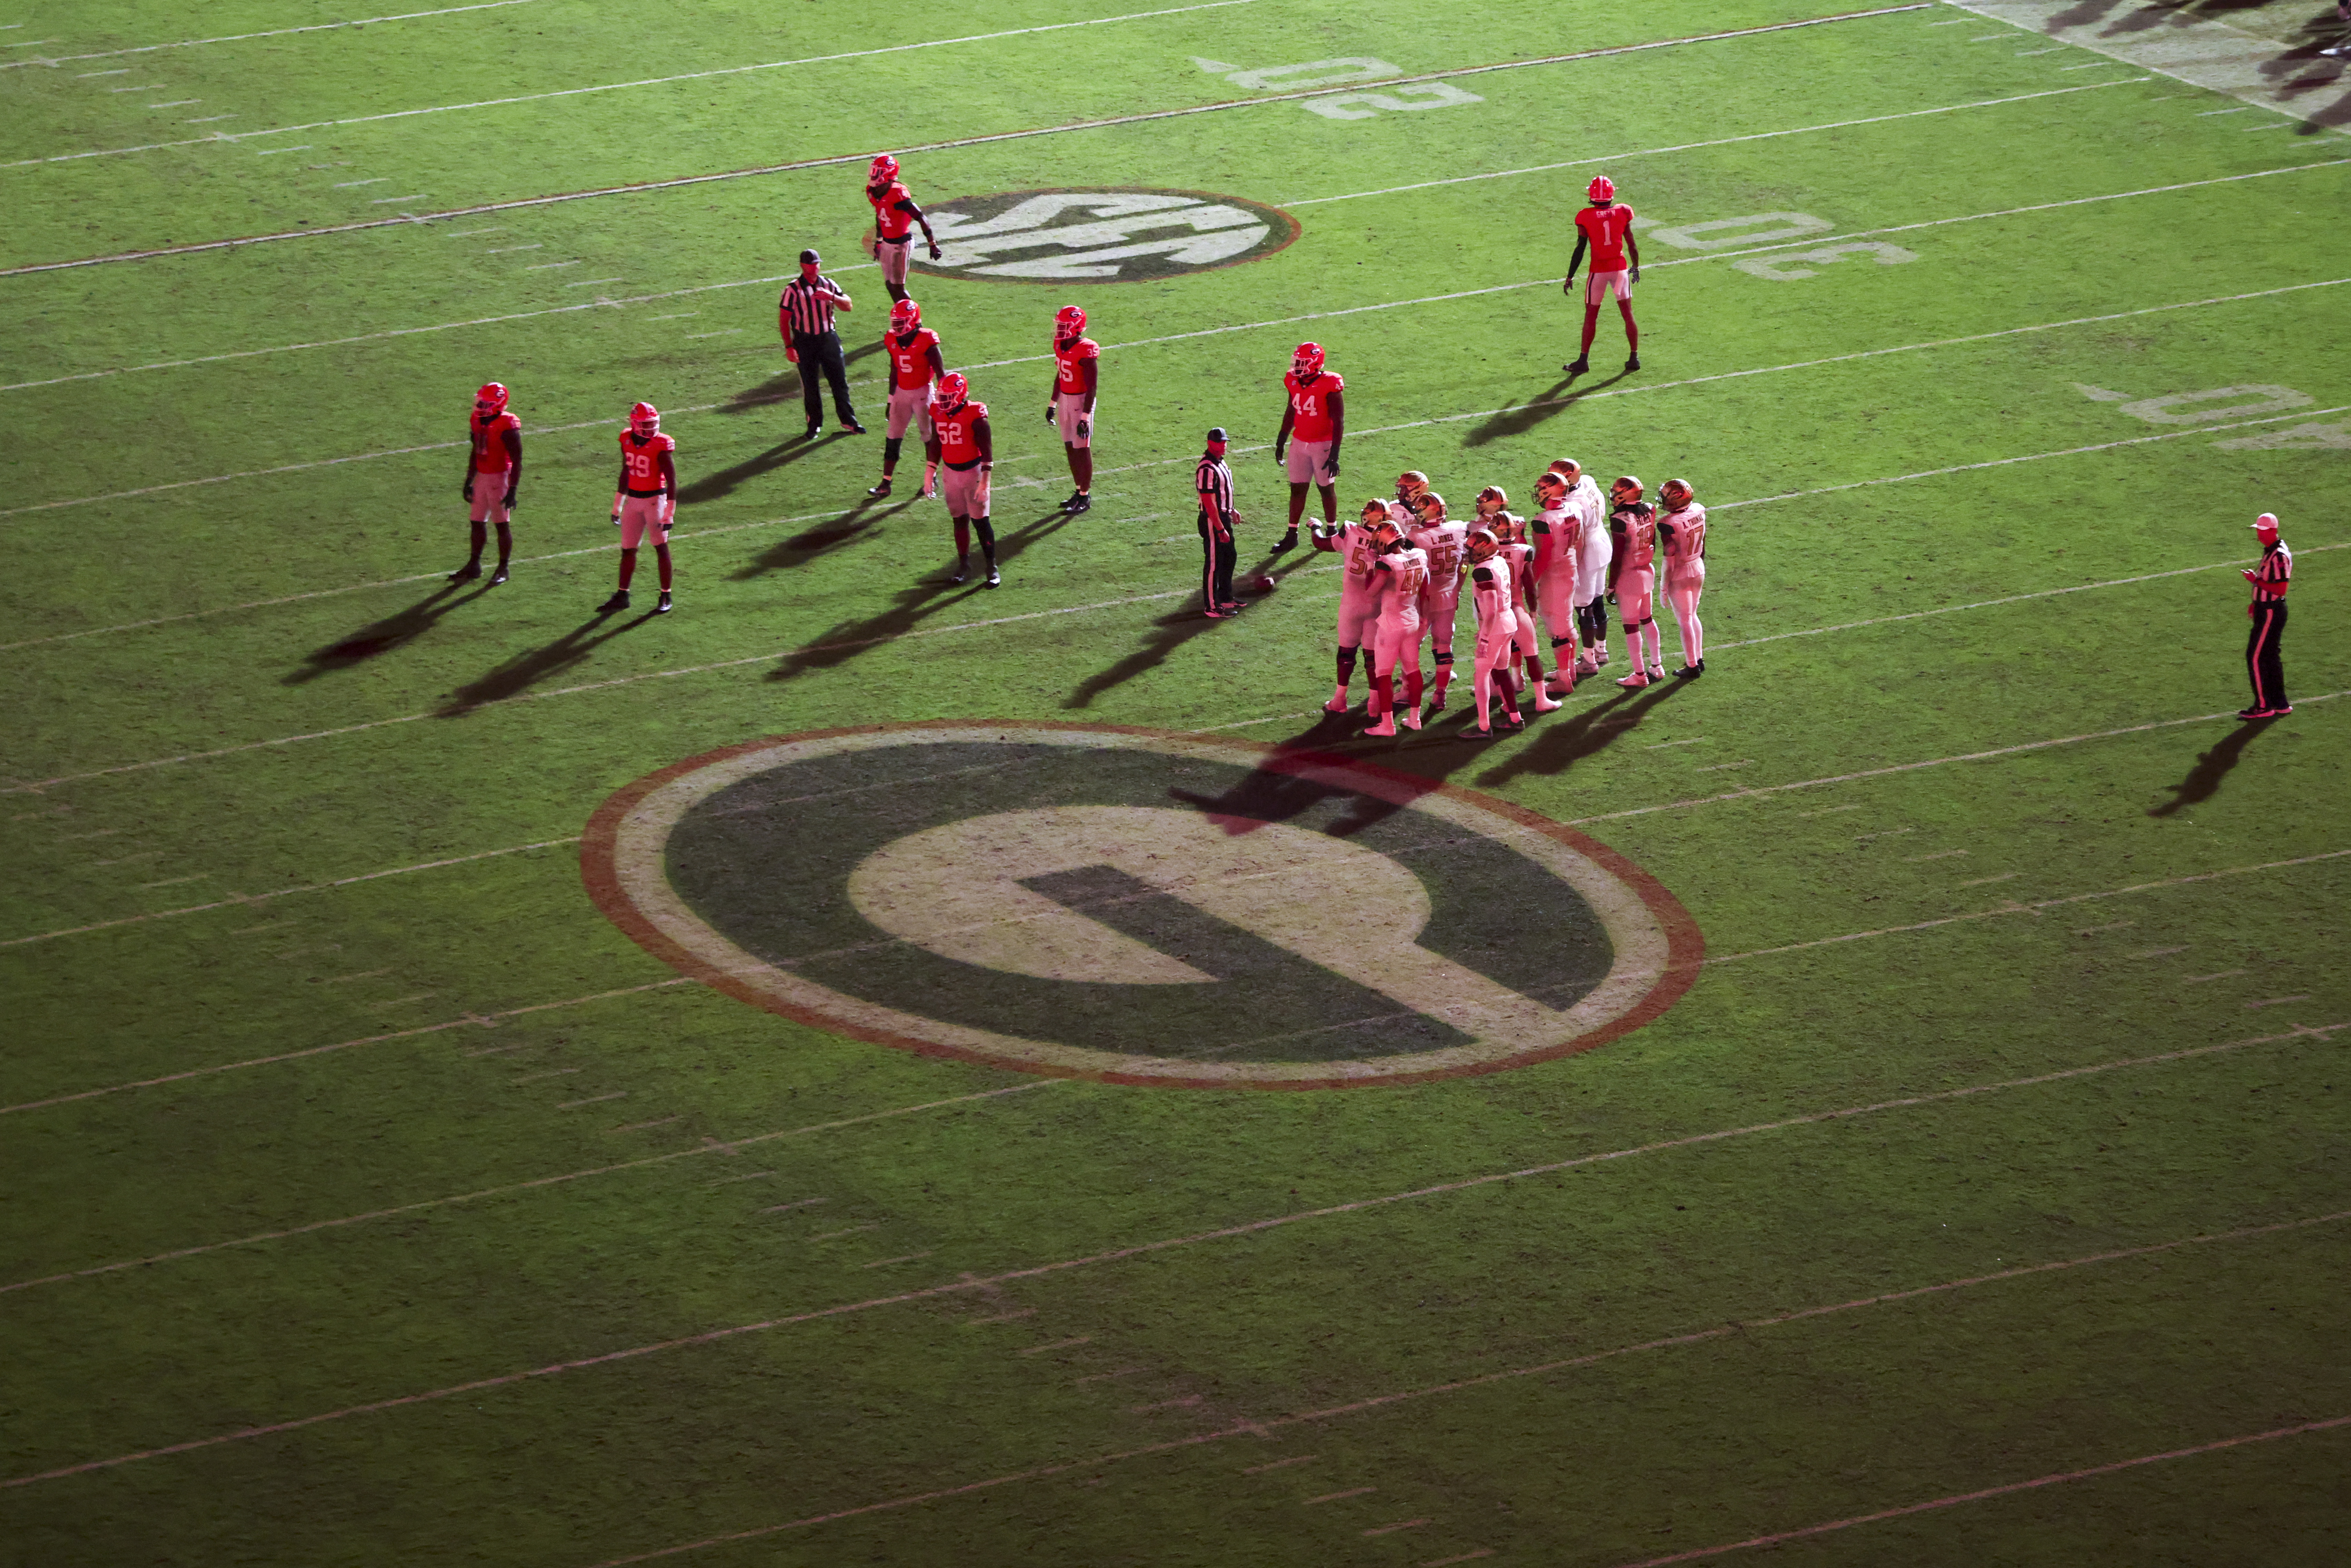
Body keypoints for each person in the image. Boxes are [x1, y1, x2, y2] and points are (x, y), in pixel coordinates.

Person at [1482, 492, 1563, 713]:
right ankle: (1541, 699)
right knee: (1532, 655)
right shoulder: (1523, 551)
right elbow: (1529, 584)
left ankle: (1509, 706)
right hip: (1518, 609)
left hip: (1498, 614)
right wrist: (1534, 611)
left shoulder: (1487, 556)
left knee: (1498, 664)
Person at [778, 248, 864, 440]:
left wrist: (832, 297)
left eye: (818, 263)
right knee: (810, 386)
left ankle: (849, 421)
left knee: (839, 382)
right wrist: (789, 347)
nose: (816, 267)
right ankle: (814, 424)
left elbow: (848, 306)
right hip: (805, 341)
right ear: (803, 266)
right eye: (812, 264)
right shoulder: (792, 290)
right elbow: (784, 320)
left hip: (828, 338)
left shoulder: (828, 284)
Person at [1310, 499, 1388, 706]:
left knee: (1346, 652)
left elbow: (1321, 543)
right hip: (1377, 605)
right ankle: (1375, 702)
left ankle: (1340, 699)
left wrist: (1315, 527)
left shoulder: (1350, 531)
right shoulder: (1390, 539)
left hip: (1352, 604)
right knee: (1372, 657)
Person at [603, 401, 675, 615]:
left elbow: (672, 480)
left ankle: (666, 594)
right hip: (633, 501)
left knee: (661, 547)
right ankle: (623, 594)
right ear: (634, 424)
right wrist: (618, 505)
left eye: (653, 423)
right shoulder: (626, 439)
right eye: (647, 424)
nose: (652, 428)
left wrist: (670, 513)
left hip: (655, 501)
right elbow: (626, 471)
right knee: (628, 550)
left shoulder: (661, 444)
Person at [867, 297, 943, 500]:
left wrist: (942, 402)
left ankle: (932, 477)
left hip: (923, 394)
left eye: (902, 322)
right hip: (901, 393)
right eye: (896, 323)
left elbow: (941, 373)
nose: (897, 327)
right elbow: (894, 370)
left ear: (913, 320)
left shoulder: (927, 339)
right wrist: (891, 398)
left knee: (929, 437)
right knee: (893, 437)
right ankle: (886, 483)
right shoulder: (891, 339)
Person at [1564, 176, 1640, 375]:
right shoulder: (1623, 212)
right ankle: (1634, 357)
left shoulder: (1585, 216)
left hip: (1599, 271)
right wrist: (1636, 267)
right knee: (1628, 314)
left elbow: (1580, 248)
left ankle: (1583, 360)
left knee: (1591, 315)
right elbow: (1631, 244)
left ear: (1591, 195)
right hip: (1619, 269)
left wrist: (1570, 276)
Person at [1274, 341, 1343, 551]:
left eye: (1302, 362)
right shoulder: (1292, 380)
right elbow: (1291, 410)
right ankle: (1292, 534)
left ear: (1315, 363)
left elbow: (1339, 420)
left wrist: (1335, 455)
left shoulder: (1330, 383)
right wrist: (1281, 439)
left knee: (1325, 488)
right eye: (1297, 361)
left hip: (1323, 443)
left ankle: (1332, 530)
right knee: (1297, 489)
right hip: (1299, 442)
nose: (1297, 366)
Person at [1363, 518, 1429, 737]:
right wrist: (1425, 617)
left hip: (1391, 624)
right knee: (1413, 669)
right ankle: (1415, 718)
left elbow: (1371, 593)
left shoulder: (1387, 563)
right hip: (1412, 618)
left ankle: (1387, 725)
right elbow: (1425, 588)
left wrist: (1370, 567)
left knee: (1383, 674)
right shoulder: (1419, 555)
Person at [452, 381, 521, 584]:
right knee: (477, 522)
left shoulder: (507, 425)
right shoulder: (476, 419)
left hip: (501, 478)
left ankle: (503, 568)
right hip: (483, 475)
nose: (479, 405)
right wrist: (469, 480)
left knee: (501, 525)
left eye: (484, 402)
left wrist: (513, 490)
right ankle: (474, 565)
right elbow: (476, 451)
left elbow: (518, 460)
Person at [932, 372, 997, 587]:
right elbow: (936, 443)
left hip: (973, 472)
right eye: (941, 396)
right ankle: (964, 565)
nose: (942, 402)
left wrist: (985, 483)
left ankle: (991, 566)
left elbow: (987, 453)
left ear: (960, 395)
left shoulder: (975, 413)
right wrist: (929, 471)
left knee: (980, 522)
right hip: (950, 473)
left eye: (947, 397)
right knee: (959, 519)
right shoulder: (937, 412)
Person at [1548, 458, 1610, 675]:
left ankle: (1589, 660)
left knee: (1584, 607)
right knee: (1598, 600)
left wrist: (1575, 564)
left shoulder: (1574, 502)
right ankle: (1601, 650)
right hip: (1602, 541)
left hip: (1588, 552)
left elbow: (1579, 538)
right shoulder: (1588, 481)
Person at [1410, 489, 1469, 715]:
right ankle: (1440, 695)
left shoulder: (1416, 538)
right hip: (1449, 595)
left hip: (1424, 599)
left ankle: (1408, 690)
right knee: (1444, 646)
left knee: (1412, 645)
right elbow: (1464, 564)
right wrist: (1459, 586)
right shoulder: (1458, 529)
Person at [1465, 528, 1526, 737]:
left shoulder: (1483, 571)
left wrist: (1484, 637)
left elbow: (1490, 611)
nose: (1469, 553)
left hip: (1497, 623)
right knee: (1501, 670)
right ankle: (1515, 717)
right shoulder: (1498, 561)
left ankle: (1483, 727)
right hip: (1508, 621)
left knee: (1481, 674)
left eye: (1472, 549)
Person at [1607, 476, 1663, 687]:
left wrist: (1612, 585)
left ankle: (1640, 676)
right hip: (1647, 570)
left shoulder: (1620, 520)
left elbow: (1618, 556)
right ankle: (1657, 666)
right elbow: (1653, 540)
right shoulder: (1649, 509)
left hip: (1630, 575)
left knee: (1631, 626)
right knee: (1647, 618)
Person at [864, 154, 942, 305]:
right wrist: (879, 241)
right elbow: (880, 215)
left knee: (898, 287)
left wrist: (932, 244)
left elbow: (921, 217)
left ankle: (912, 316)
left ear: (889, 174)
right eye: (874, 171)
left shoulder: (898, 194)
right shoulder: (873, 192)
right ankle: (900, 312)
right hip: (887, 242)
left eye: (878, 172)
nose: (873, 175)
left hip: (901, 244)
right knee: (890, 285)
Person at [1528, 471, 1579, 695]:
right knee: (1567, 624)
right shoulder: (1574, 509)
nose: (1538, 492)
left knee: (1557, 631)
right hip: (1570, 568)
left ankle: (1564, 681)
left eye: (1541, 488)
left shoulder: (1544, 521)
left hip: (1554, 576)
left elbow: (1542, 556)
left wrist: (1530, 583)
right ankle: (1569, 672)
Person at [1046, 304, 1100, 514]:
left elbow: (1092, 387)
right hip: (1066, 400)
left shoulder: (1087, 349)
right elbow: (1060, 375)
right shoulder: (1060, 345)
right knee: (1070, 446)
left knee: (1082, 448)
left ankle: (1085, 497)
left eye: (1064, 326)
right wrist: (1053, 403)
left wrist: (1086, 416)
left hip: (1081, 402)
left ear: (1077, 327)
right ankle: (1078, 492)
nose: (1059, 329)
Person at [2242, 511, 2293, 717]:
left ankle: (2264, 706)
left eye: (2263, 532)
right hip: (2268, 608)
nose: (2260, 535)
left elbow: (2281, 589)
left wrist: (2255, 581)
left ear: (2274, 531)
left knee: (2254, 657)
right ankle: (2280, 703)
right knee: (2271, 656)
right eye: (2259, 531)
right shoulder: (2273, 550)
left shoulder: (2279, 555)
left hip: (2271, 611)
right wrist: (2257, 602)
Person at [1657, 478, 1708, 678]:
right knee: (1693, 615)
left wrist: (1663, 588)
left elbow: (1669, 559)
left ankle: (1692, 665)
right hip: (1698, 566)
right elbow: (1704, 540)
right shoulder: (1698, 510)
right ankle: (1699, 659)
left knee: (1684, 620)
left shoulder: (1668, 524)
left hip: (1680, 572)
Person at [1197, 428, 1241, 618]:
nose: (1223, 445)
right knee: (1214, 563)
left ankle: (1225, 596)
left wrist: (1231, 509)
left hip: (1222, 516)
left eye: (1225, 442)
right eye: (1219, 442)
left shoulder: (1219, 462)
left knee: (1230, 556)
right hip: (1212, 519)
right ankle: (1212, 606)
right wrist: (1220, 527)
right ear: (1210, 443)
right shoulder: (1207, 468)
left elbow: (1222, 492)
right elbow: (1209, 502)